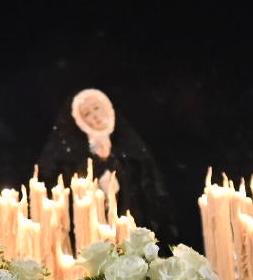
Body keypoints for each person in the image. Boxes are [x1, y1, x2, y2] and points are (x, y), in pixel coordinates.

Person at [37, 87, 181, 245]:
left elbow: (147, 188)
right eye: (87, 114)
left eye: (96, 108)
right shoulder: (76, 157)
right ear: (81, 121)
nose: (95, 116)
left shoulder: (129, 147)